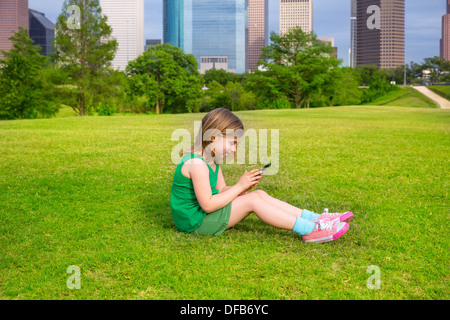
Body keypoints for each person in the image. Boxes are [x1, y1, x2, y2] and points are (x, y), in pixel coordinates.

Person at [170, 108, 352, 243]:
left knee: (259, 195)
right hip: (196, 223)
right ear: (213, 137)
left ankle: (316, 218)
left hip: (203, 216)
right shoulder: (197, 164)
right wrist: (240, 188)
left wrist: (243, 187)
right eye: (232, 143)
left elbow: (222, 190)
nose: (234, 150)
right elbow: (208, 205)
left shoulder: (212, 160)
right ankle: (310, 230)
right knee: (253, 201)